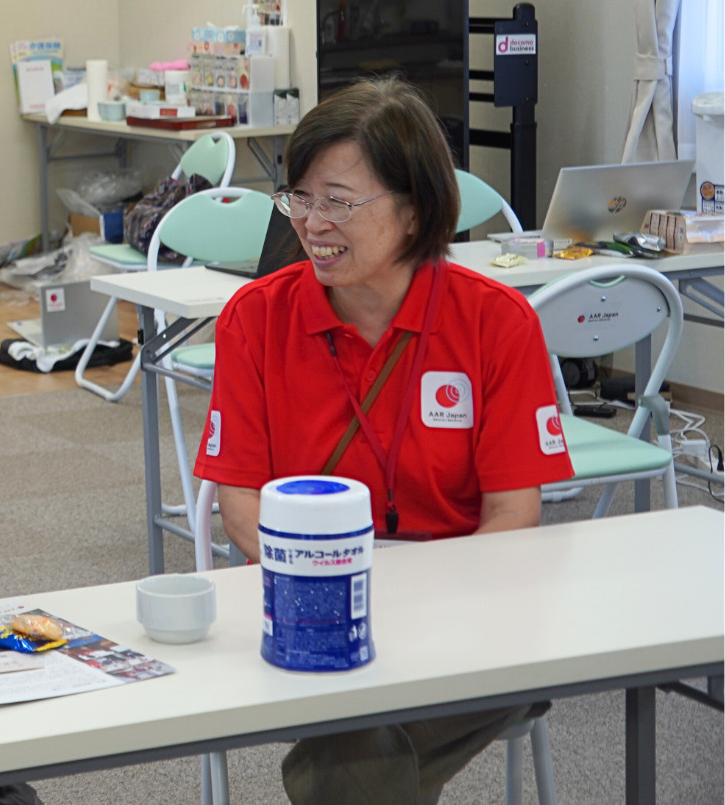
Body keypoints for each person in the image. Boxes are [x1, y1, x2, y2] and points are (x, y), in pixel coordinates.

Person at [193, 77, 575, 804]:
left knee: (343, 762)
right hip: (311, 604)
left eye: (336, 200)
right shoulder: (256, 318)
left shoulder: (496, 322)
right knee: (355, 749)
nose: (310, 222)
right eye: (299, 198)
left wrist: (430, 608)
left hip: (467, 610)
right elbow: (240, 503)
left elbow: (512, 515)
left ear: (412, 210)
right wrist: (331, 597)